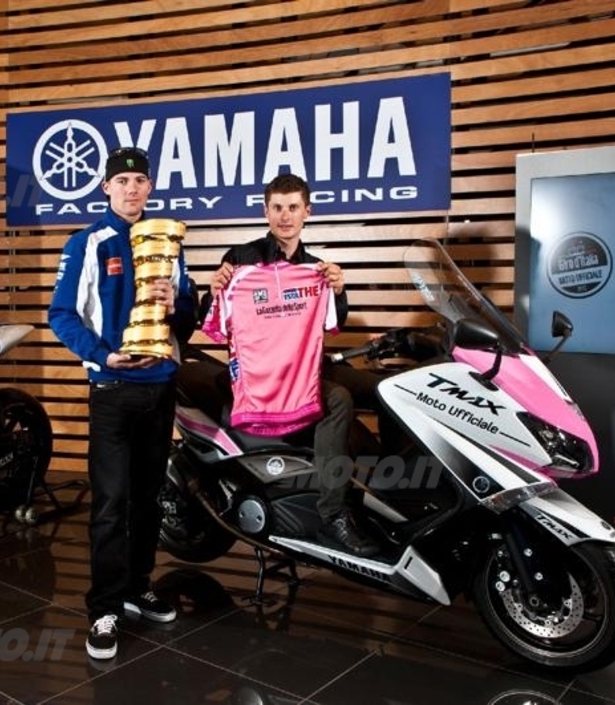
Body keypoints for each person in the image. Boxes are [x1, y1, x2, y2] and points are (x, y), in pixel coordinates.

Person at [48, 146, 197, 660]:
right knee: (111, 503)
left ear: (149, 187)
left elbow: (187, 319)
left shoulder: (169, 243)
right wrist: (102, 356)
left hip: (160, 385)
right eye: (123, 181)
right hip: (112, 389)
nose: (132, 189)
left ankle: (137, 586)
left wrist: (179, 305)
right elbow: (61, 314)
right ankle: (105, 607)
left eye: (140, 180)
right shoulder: (87, 243)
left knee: (149, 498)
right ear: (106, 187)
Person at [204, 172, 383, 557]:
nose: (285, 216)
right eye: (278, 208)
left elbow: (334, 323)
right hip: (263, 374)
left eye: (293, 207)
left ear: (307, 211)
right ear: (266, 212)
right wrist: (214, 289)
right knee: (338, 400)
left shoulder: (316, 269)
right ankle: (333, 514)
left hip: (306, 366)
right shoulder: (240, 261)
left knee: (382, 388)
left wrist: (337, 290)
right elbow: (215, 317)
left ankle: (397, 488)